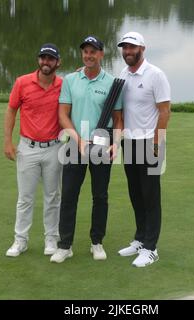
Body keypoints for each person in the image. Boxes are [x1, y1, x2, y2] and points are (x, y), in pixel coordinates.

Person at [50, 35, 123, 263]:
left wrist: (116, 142)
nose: (89, 55)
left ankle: (96, 242)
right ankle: (65, 246)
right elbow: (63, 114)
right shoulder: (70, 80)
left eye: (94, 51)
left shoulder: (112, 82)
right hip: (74, 144)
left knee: (100, 195)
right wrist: (78, 140)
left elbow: (118, 119)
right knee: (69, 195)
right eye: (85, 51)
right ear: (82, 54)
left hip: (102, 145)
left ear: (101, 54)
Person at [117, 32, 171, 267]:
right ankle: (140, 239)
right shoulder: (123, 74)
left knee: (150, 196)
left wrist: (158, 143)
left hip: (150, 143)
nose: (128, 52)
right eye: (124, 48)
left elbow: (165, 111)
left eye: (132, 48)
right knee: (135, 193)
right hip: (128, 142)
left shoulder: (156, 75)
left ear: (142, 49)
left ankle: (151, 248)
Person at [4, 43, 63, 257]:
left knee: (53, 196)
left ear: (58, 62)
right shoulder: (22, 82)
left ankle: (51, 239)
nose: (46, 62)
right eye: (43, 58)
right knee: (25, 198)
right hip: (27, 148)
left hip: (54, 148)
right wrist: (7, 141)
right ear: (39, 60)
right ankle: (20, 240)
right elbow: (11, 110)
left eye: (50, 59)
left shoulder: (63, 85)